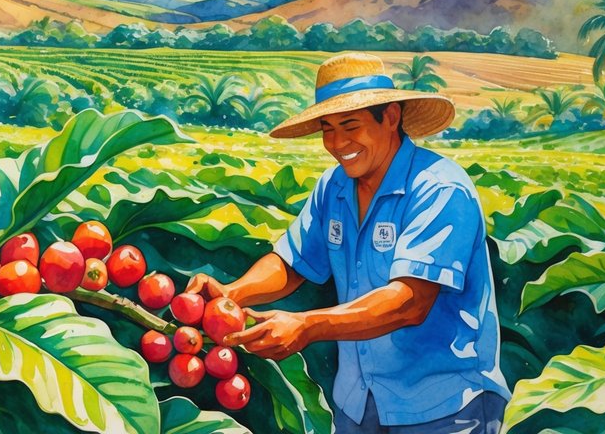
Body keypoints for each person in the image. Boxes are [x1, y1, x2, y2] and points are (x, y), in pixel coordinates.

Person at [185, 52, 510, 433]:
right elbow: (292, 263)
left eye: (350, 126)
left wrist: (307, 326)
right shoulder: (334, 186)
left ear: (390, 118)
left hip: (443, 408)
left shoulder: (440, 187)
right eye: (327, 128)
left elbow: (410, 302)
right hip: (359, 403)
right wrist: (231, 295)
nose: (337, 143)